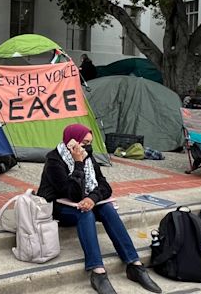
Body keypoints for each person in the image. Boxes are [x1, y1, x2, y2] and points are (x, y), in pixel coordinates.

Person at [37, 124, 161, 294]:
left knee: (108, 209)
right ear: (71, 142)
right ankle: (98, 272)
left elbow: (105, 185)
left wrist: (92, 198)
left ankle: (134, 264)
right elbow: (72, 194)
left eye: (89, 142)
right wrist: (78, 163)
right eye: (84, 142)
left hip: (83, 202)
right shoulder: (54, 161)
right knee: (85, 214)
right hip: (57, 208)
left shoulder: (88, 156)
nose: (87, 147)